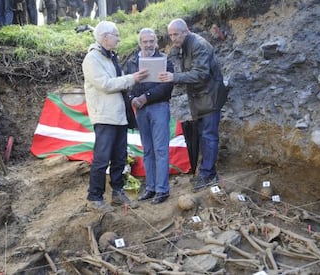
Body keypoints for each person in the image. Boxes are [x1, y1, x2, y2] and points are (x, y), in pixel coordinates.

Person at [82, 20, 149, 212]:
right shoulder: (92, 59)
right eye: (116, 35)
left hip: (118, 115)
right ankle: (94, 197)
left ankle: (118, 192)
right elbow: (106, 84)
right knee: (102, 158)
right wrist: (132, 78)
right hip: (104, 117)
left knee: (120, 157)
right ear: (104, 37)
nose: (118, 39)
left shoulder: (109, 56)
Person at [159, 18, 228, 193]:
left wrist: (174, 77)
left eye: (176, 34)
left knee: (209, 136)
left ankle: (208, 175)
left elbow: (201, 74)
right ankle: (206, 172)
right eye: (170, 35)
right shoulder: (187, 45)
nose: (173, 38)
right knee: (205, 135)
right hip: (202, 98)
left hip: (209, 98)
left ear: (186, 31)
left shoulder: (198, 45)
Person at [123, 28, 174, 204]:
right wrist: (133, 99)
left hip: (159, 107)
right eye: (145, 41)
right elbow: (127, 84)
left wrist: (146, 97)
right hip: (141, 110)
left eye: (151, 41)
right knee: (148, 150)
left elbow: (167, 86)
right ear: (140, 43)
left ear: (156, 42)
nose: (148, 44)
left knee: (160, 149)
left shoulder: (165, 61)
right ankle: (151, 187)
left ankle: (162, 190)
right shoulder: (131, 62)